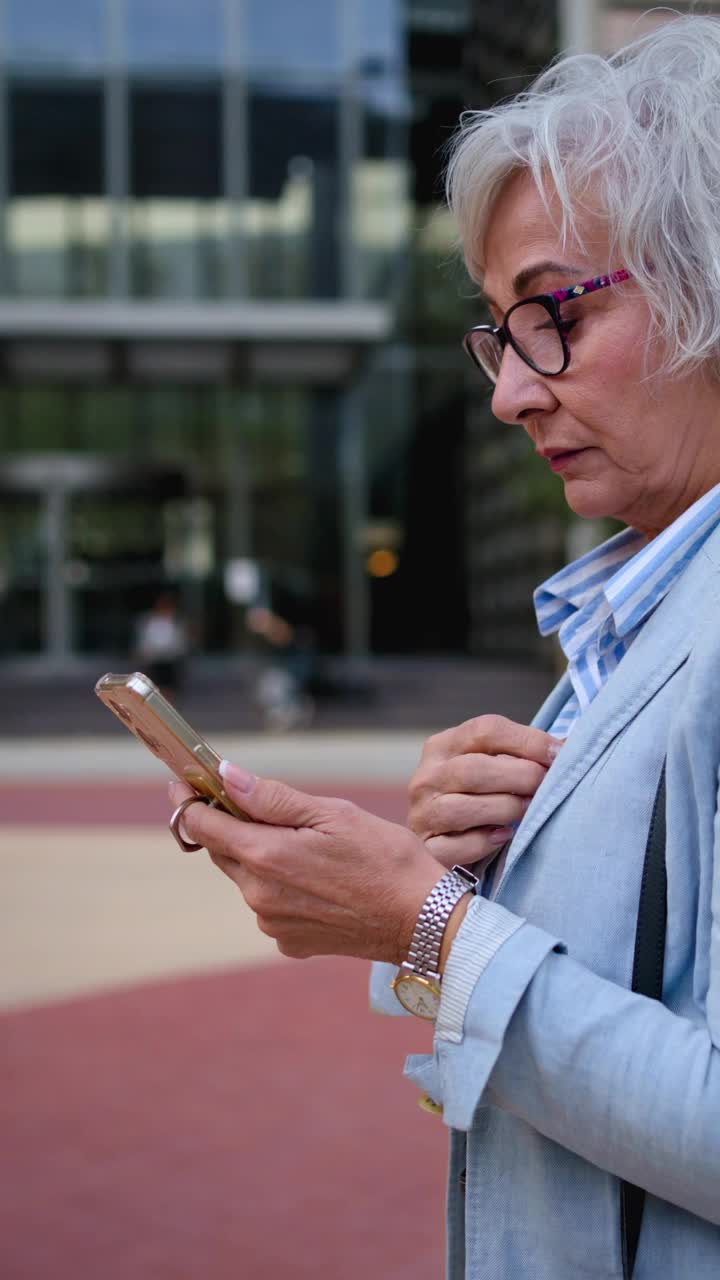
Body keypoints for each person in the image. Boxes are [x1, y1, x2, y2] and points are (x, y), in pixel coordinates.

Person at [167, 16, 720, 1277]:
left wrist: (426, 928)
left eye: (550, 315)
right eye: (496, 332)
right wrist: (470, 870)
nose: (510, 391)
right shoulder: (635, 612)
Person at [133, 592, 189, 701]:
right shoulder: (149, 621)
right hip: (155, 659)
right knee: (156, 686)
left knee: (170, 686)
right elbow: (145, 639)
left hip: (171, 659)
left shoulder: (176, 621)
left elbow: (180, 641)